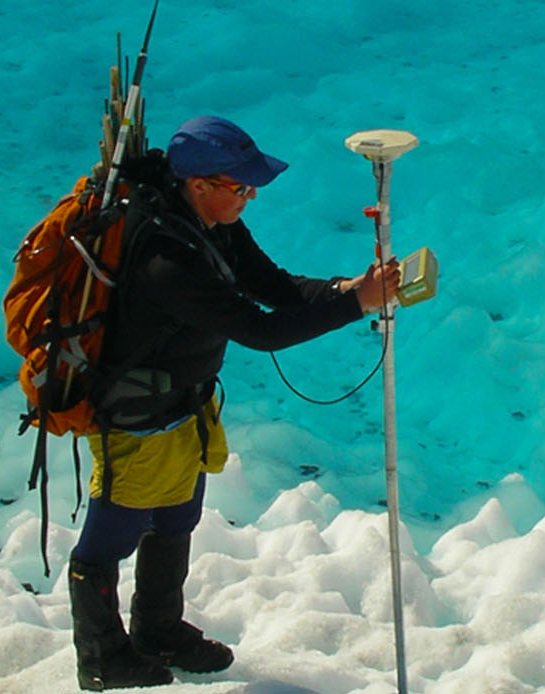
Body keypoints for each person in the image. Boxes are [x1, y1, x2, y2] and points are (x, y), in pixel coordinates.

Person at [67, 115, 402, 691]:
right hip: (138, 419)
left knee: (176, 519)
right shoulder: (165, 259)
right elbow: (259, 329)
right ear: (199, 184)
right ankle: (101, 657)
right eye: (241, 187)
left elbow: (274, 286)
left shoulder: (213, 225)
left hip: (184, 407)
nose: (250, 198)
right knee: (109, 539)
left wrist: (347, 288)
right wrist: (357, 307)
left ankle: (158, 631)